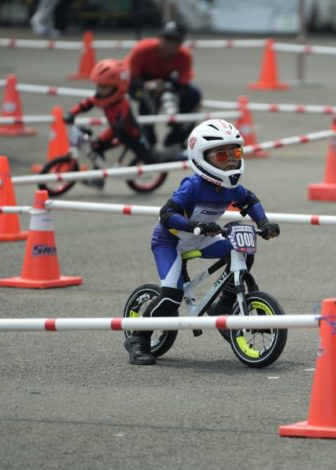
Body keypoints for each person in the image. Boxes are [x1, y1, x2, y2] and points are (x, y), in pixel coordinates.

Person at [123, 119, 280, 365]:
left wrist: (264, 223)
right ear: (201, 158)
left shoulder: (231, 186)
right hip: (170, 242)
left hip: (201, 237)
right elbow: (166, 215)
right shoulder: (193, 185)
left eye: (235, 153)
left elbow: (250, 201)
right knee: (172, 295)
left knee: (243, 249)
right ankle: (138, 338)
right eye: (222, 155)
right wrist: (195, 225)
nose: (230, 161)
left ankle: (224, 305)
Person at [63, 58, 158, 188]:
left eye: (104, 87)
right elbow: (87, 103)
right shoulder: (103, 97)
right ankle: (99, 179)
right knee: (96, 147)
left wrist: (119, 123)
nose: (100, 91)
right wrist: (72, 113)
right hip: (115, 130)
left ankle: (147, 168)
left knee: (146, 155)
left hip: (129, 134)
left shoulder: (122, 104)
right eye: (99, 86)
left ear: (117, 87)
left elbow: (122, 120)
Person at [126, 21, 202, 151]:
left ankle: (176, 137)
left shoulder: (184, 56)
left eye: (175, 40)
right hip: (138, 83)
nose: (169, 44)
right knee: (147, 98)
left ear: (180, 43)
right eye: (166, 38)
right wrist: (147, 85)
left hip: (164, 82)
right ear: (160, 38)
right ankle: (148, 138)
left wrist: (167, 87)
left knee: (194, 95)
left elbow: (183, 80)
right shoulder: (143, 49)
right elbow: (130, 76)